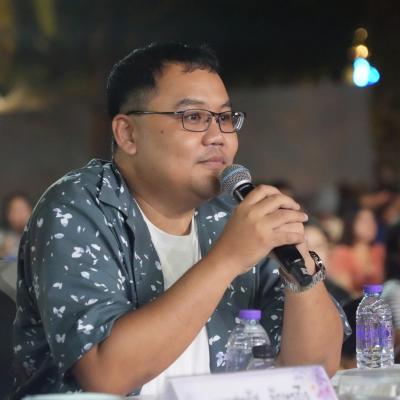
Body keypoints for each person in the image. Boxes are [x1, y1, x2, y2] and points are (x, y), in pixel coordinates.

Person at [11, 42, 349, 398]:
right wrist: (227, 259)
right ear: (128, 134)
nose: (218, 137)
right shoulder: (79, 206)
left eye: (224, 118)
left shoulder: (231, 215)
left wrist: (300, 269)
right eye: (194, 117)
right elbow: (106, 374)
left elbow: (314, 369)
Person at [329, 206, 385, 298]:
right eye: (364, 221)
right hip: (353, 303)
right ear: (351, 223)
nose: (371, 224)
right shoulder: (341, 252)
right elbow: (344, 291)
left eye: (373, 220)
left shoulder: (379, 250)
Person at [0, 192, 32, 259]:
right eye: (15, 210)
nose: (20, 215)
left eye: (23, 210)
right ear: (7, 215)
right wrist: (2, 251)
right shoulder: (2, 236)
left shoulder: (38, 236)